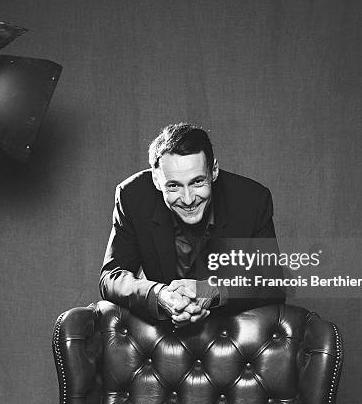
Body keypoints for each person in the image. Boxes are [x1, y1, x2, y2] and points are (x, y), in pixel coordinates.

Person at [100, 123, 284, 328]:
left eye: (197, 182)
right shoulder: (132, 196)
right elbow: (111, 277)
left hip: (227, 333)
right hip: (162, 331)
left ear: (214, 171)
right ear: (156, 179)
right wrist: (158, 295)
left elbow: (272, 283)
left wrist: (212, 291)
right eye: (174, 186)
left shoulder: (252, 199)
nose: (188, 200)